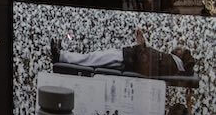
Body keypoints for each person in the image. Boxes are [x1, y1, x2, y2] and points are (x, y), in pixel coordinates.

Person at [50, 28, 196, 77]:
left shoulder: (169, 63)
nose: (177, 48)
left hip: (126, 59)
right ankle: (62, 55)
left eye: (180, 50)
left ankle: (61, 56)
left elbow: (146, 64)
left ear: (181, 56)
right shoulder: (169, 61)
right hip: (128, 57)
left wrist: (141, 44)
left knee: (92, 59)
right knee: (93, 58)